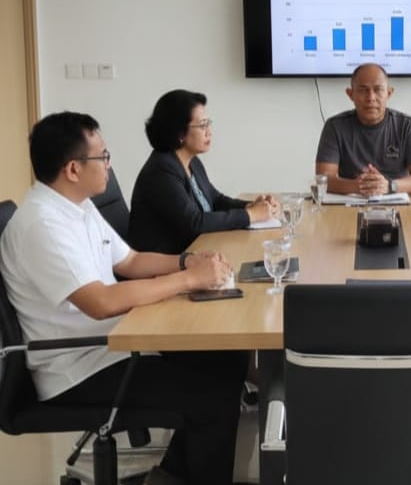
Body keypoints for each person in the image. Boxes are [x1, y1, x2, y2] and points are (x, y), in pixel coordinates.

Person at [0, 112, 249, 485]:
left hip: (115, 343)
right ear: (73, 169)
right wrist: (186, 279)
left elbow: (130, 261)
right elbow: (100, 302)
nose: (109, 164)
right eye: (102, 156)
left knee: (227, 363)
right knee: (212, 399)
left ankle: (172, 476)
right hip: (79, 367)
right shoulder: (42, 225)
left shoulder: (78, 205)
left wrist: (188, 261)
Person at [129, 89, 279, 254]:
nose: (209, 132)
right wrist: (250, 215)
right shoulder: (161, 171)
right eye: (202, 125)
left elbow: (215, 200)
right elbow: (194, 223)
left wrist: (252, 206)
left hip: (196, 250)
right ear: (179, 133)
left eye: (208, 124)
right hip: (167, 262)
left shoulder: (191, 161)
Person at [315, 63, 411, 196]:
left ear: (389, 93)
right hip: (350, 203)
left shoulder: (408, 126)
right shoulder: (335, 127)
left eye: (378, 90)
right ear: (350, 94)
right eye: (363, 90)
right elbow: (323, 179)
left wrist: (389, 186)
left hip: (397, 201)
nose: (371, 98)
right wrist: (358, 186)